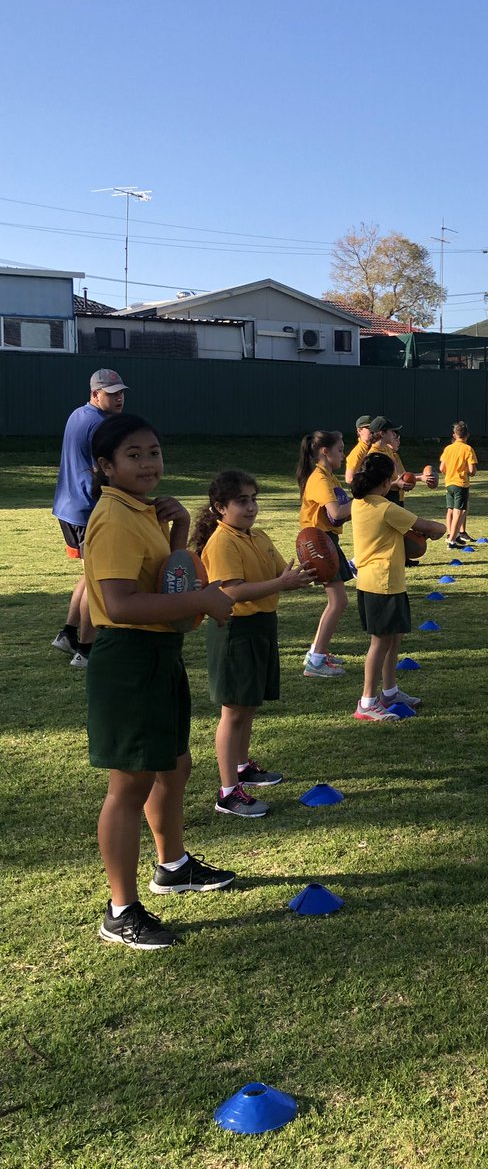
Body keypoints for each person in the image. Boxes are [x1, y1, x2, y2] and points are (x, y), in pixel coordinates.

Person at [84, 413, 236, 951]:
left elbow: (164, 575)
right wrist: (202, 599)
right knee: (129, 786)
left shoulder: (142, 511)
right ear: (105, 466)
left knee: (173, 763)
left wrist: (174, 532)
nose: (148, 463)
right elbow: (122, 603)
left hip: (158, 653)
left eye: (154, 452)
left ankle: (172, 866)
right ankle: (120, 910)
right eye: (133, 455)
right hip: (129, 660)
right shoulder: (115, 517)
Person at [192, 470, 313, 819]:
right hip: (235, 630)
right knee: (233, 711)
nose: (250, 507)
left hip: (261, 625)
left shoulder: (256, 536)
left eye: (253, 499)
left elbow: (283, 572)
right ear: (220, 508)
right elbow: (229, 591)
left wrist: (313, 567)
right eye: (241, 501)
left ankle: (243, 767)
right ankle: (228, 792)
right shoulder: (222, 541)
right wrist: (282, 583)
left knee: (248, 704)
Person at [350, 452, 445, 721]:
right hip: (382, 582)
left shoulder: (360, 503)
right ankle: (367, 702)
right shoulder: (386, 508)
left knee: (394, 637)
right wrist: (439, 529)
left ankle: (389, 692)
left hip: (378, 580)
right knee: (380, 643)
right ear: (384, 482)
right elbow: (428, 527)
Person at [51, 369, 128, 667]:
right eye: (111, 393)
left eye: (121, 392)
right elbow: (103, 472)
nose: (119, 398)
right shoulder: (100, 427)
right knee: (97, 579)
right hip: (87, 509)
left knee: (88, 573)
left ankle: (69, 635)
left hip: (69, 507)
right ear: (95, 394)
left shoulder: (78, 415)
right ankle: (85, 649)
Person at [296, 430, 353, 677]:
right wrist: (366, 498)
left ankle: (317, 653)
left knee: (337, 601)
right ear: (324, 451)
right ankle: (316, 661)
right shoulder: (319, 479)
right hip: (319, 542)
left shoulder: (329, 477)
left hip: (327, 538)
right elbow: (337, 512)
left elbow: (339, 514)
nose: (344, 454)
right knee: (338, 601)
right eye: (340, 449)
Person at [440, 421, 478, 549]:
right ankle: (451, 541)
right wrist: (467, 472)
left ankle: (452, 534)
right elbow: (472, 470)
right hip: (460, 483)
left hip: (448, 482)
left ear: (454, 435)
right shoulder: (468, 449)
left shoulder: (448, 448)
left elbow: (442, 468)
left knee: (450, 510)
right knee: (460, 511)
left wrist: (450, 471)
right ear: (467, 435)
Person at [344, 414, 374, 484]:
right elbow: (349, 479)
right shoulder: (358, 452)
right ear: (360, 430)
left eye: (374, 428)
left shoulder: (371, 447)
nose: (373, 431)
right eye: (369, 428)